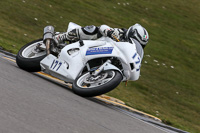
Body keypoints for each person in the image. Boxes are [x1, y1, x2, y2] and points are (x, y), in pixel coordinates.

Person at [53, 23, 149, 60]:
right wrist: (110, 32)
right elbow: (103, 27)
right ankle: (60, 37)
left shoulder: (131, 51)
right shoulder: (120, 33)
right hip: (93, 44)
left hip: (100, 55)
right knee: (94, 30)